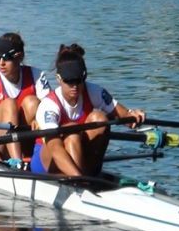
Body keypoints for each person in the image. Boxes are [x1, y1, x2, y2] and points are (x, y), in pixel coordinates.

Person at [32, 44, 145, 177]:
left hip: (78, 159)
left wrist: (133, 116)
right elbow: (55, 148)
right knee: (72, 131)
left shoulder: (93, 91)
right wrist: (79, 178)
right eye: (69, 81)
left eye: (79, 80)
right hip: (46, 163)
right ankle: (83, 179)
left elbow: (124, 115)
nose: (75, 86)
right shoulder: (49, 105)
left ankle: (89, 175)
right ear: (59, 79)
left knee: (100, 118)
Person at [0, 33, 51, 162]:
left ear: (19, 57)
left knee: (33, 103)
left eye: (7, 58)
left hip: (25, 142)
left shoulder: (37, 76)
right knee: (9, 104)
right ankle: (17, 162)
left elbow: (52, 110)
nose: (1, 63)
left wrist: (40, 119)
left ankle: (30, 158)